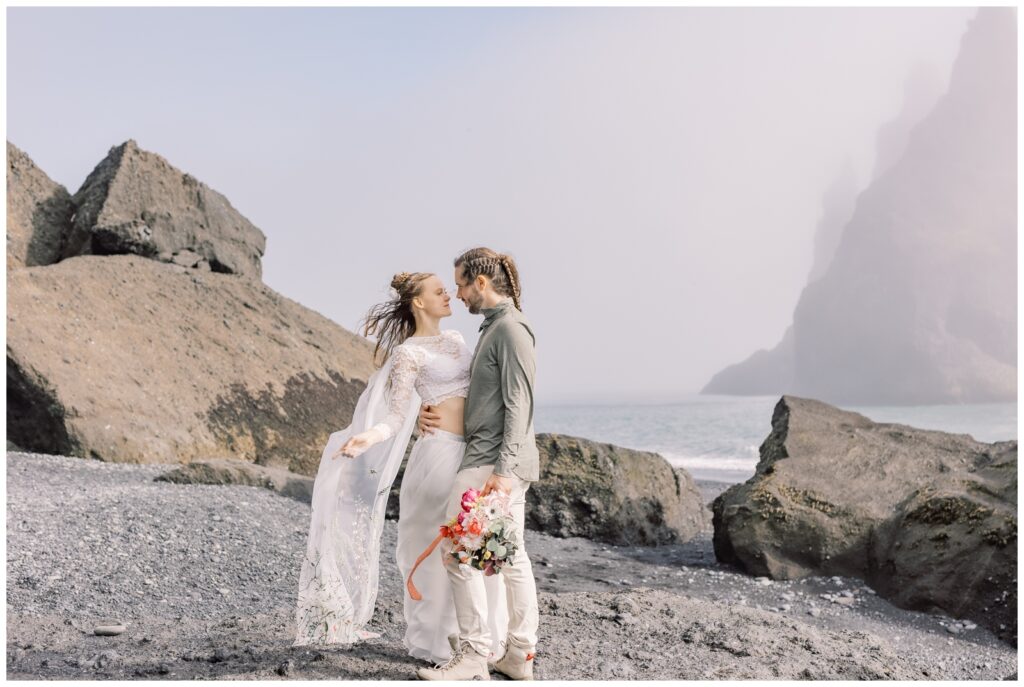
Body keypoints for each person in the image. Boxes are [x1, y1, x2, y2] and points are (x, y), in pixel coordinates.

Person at [293, 271, 507, 665]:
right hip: (438, 455)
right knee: (434, 545)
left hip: (473, 453)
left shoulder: (459, 340)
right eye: (439, 292)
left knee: (474, 546)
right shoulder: (409, 354)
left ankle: (483, 643)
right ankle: (440, 644)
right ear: (420, 303)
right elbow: (394, 416)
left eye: (449, 289)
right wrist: (368, 437)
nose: (449, 296)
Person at [416, 248, 540, 681]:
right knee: (511, 557)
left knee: (457, 550)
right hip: (492, 461)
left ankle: (473, 655)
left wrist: (503, 474)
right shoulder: (496, 328)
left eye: (462, 284)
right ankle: (517, 656)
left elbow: (519, 405)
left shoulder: (509, 330)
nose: (458, 293)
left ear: (481, 284)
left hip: (491, 464)